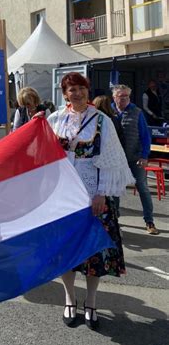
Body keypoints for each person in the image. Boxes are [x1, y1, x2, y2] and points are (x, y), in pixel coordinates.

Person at [47, 73, 132, 330]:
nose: (77, 93)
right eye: (72, 89)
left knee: (95, 252)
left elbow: (110, 160)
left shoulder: (102, 121)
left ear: (87, 91)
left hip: (93, 195)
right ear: (64, 94)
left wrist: (102, 193)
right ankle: (70, 297)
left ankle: (92, 300)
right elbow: (40, 151)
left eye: (81, 89)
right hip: (64, 198)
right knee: (67, 251)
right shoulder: (55, 120)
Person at [112, 84, 159, 235]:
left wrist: (145, 156)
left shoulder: (137, 112)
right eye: (121, 96)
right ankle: (115, 220)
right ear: (114, 97)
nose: (124, 98)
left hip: (135, 158)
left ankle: (149, 221)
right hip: (116, 160)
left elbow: (146, 136)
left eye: (126, 96)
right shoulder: (109, 112)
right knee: (116, 190)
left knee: (143, 189)